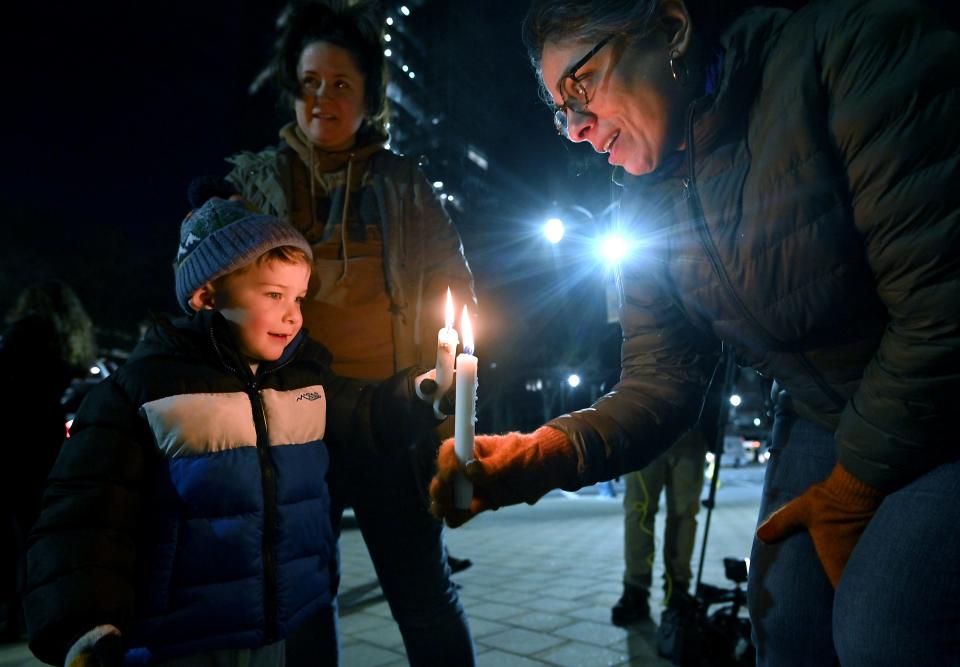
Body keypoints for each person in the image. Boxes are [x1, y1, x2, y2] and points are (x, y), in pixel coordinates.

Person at [430, 1, 960, 665]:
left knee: (886, 625)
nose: (574, 127)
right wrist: (543, 455)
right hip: (825, 413)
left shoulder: (849, 55)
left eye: (580, 86)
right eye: (559, 110)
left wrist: (854, 486)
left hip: (943, 400)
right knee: (783, 619)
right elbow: (664, 375)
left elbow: (942, 305)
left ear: (671, 29)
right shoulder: (643, 189)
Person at [23, 198, 442, 666]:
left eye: (298, 297)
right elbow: (84, 516)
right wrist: (85, 624)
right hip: (179, 638)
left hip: (282, 626)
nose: (293, 315)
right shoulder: (145, 390)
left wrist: (423, 392)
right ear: (207, 295)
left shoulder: (303, 377)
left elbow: (367, 415)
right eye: (273, 295)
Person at [224, 2, 476, 665]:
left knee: (423, 594)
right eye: (311, 81)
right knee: (305, 604)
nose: (323, 98)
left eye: (341, 84)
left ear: (368, 97)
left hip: (392, 420)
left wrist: (444, 401)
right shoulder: (255, 187)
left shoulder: (404, 185)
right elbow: (213, 293)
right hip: (296, 426)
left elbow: (454, 285)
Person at [0, 281, 96, 641]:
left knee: (14, 534)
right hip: (46, 437)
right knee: (37, 530)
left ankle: (16, 614)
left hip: (14, 438)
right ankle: (37, 611)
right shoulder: (66, 339)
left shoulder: (22, 333)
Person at [612, 428, 708, 625]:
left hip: (691, 426)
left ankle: (677, 589)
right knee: (640, 512)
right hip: (642, 428)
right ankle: (636, 589)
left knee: (682, 515)